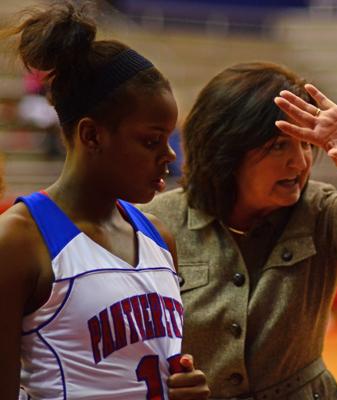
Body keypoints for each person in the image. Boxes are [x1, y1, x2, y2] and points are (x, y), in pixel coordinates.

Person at [141, 62, 337, 399]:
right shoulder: (154, 223)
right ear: (225, 150)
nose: (300, 162)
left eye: (305, 144)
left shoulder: (320, 213)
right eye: (279, 146)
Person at [0, 2, 209, 399]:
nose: (169, 156)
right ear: (92, 135)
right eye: (151, 141)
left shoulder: (158, 238)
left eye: (169, 139)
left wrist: (183, 387)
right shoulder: (17, 241)